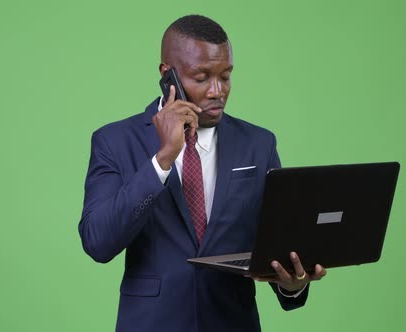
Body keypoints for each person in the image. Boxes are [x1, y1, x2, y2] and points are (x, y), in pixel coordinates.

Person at [78, 14, 326, 332]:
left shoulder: (258, 144)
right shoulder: (115, 141)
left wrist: (293, 283)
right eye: (202, 77)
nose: (216, 91)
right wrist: (163, 159)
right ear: (168, 76)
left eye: (225, 76)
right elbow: (98, 241)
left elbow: (276, 243)